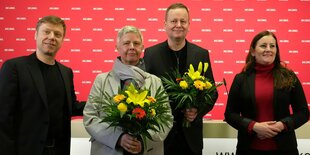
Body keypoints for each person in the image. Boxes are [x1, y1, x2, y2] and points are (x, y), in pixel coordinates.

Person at [0, 15, 84, 155]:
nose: (52, 37)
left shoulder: (66, 72)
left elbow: (71, 107)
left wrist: (102, 104)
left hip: (59, 150)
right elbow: (3, 117)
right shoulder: (14, 67)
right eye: (47, 32)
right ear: (35, 35)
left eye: (57, 34)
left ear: (62, 40)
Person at [83, 25, 173, 155]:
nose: (132, 46)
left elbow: (166, 118)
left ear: (142, 48)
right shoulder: (101, 80)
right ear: (117, 47)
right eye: (126, 43)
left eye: (136, 43)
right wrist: (118, 138)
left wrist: (142, 141)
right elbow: (90, 117)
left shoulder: (155, 82)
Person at [143, 3, 218, 155]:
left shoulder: (201, 54)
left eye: (183, 21)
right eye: (174, 21)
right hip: (160, 137)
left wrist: (198, 111)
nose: (178, 25)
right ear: (165, 24)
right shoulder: (150, 54)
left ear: (189, 25)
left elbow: (212, 92)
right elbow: (144, 92)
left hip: (190, 139)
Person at [224, 30, 309, 155]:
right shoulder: (241, 79)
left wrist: (282, 125)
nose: (268, 49)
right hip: (248, 149)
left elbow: (303, 113)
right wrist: (253, 126)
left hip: (284, 149)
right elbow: (230, 114)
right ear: (253, 51)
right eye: (263, 46)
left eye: (272, 46)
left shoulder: (289, 76)